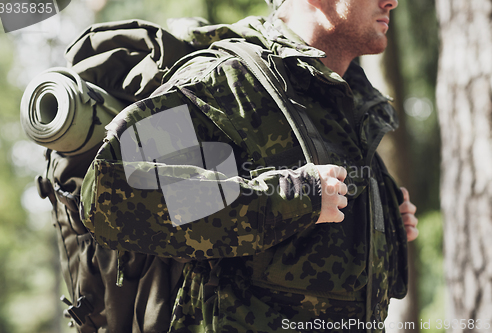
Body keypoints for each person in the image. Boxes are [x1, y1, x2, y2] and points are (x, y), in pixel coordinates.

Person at [79, 0, 419, 332]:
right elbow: (110, 195)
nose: (392, 2)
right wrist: (292, 199)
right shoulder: (226, 81)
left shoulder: (353, 102)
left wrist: (383, 222)